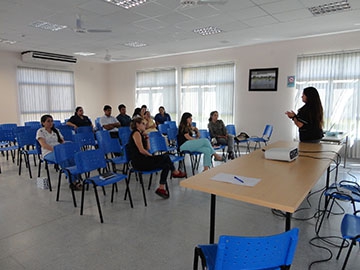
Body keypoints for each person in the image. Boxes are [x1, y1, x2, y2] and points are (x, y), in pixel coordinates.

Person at [127, 116, 186, 199]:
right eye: (143, 124)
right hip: (139, 162)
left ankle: (161, 187)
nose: (145, 126)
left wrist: (147, 137)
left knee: (166, 164)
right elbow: (141, 150)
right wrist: (151, 156)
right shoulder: (136, 133)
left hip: (144, 159)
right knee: (165, 157)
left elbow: (147, 148)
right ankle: (175, 172)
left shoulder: (140, 134)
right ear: (137, 124)